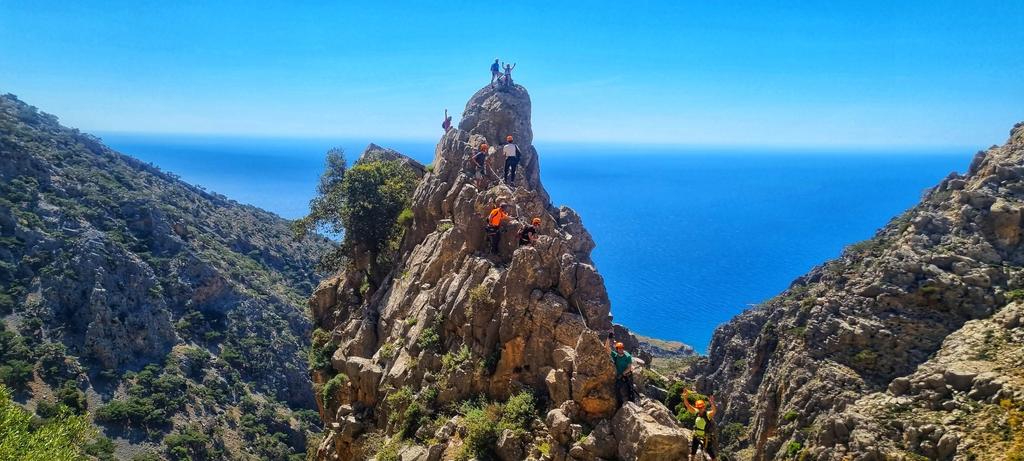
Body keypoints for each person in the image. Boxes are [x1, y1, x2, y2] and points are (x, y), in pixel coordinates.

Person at [683, 389, 717, 461]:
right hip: (696, 436)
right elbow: (688, 406)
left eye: (701, 407)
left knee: (711, 454)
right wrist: (685, 397)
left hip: (705, 437)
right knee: (693, 451)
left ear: (704, 407)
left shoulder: (707, 414)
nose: (700, 409)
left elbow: (714, 411)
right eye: (699, 407)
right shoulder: (696, 412)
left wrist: (712, 403)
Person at [608, 340, 634, 408]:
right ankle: (620, 405)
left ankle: (631, 403)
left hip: (626, 376)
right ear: (617, 349)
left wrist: (622, 374)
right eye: (619, 348)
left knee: (629, 390)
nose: (621, 349)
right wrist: (608, 339)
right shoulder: (615, 355)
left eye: (622, 348)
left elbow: (629, 367)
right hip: (619, 376)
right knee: (618, 390)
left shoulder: (627, 356)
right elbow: (607, 349)